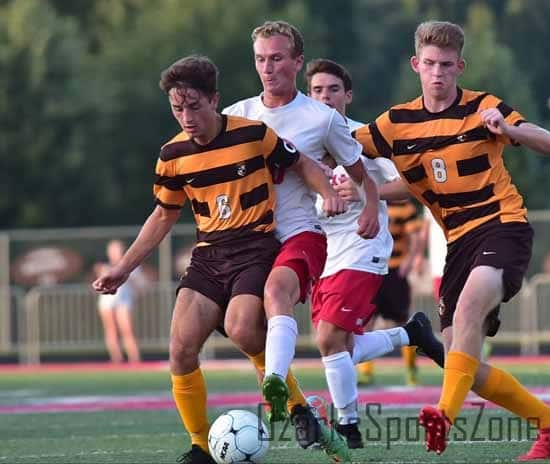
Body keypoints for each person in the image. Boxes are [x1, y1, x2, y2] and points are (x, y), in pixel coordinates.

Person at [92, 54, 346, 464]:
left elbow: (301, 164)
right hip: (209, 257)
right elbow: (162, 215)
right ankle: (199, 447)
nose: (187, 117)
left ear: (215, 100)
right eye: (178, 108)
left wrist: (328, 193)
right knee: (180, 349)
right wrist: (123, 269)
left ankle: (300, 411)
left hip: (255, 249)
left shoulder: (253, 135)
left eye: (194, 106)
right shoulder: (171, 155)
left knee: (243, 329)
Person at [350, 20, 550, 461]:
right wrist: (348, 187)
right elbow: (353, 154)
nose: (438, 73)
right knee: (464, 364)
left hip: (502, 226)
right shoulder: (395, 123)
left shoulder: (483, 107)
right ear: (416, 64)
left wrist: (509, 130)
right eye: (430, 64)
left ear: (460, 66)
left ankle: (443, 415)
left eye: (447, 65)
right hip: (457, 244)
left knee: (471, 307)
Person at [222, 22, 380, 456]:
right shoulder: (237, 116)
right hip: (249, 240)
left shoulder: (322, 119)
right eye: (260, 59)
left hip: (302, 233)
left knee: (281, 295)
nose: (268, 67)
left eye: (276, 58)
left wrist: (364, 207)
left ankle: (275, 382)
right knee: (240, 328)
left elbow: (363, 174)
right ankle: (299, 409)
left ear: (295, 62)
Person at [304, 57, 445, 449]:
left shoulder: (361, 139)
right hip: (321, 253)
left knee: (330, 338)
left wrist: (368, 194)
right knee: (339, 345)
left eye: (333, 89)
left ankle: (349, 427)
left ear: (348, 95)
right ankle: (410, 333)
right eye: (317, 90)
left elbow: (412, 184)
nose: (325, 97)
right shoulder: (297, 140)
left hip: (362, 247)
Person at [356, 199, 426, 387]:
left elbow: (415, 236)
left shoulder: (404, 206)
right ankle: (366, 372)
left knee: (401, 322)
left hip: (394, 271)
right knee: (366, 320)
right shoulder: (367, 202)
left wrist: (411, 260)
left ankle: (411, 369)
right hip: (370, 269)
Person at [94, 239, 142, 363]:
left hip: (124, 300)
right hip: (107, 301)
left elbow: (138, 285)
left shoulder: (131, 267)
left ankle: (134, 360)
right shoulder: (104, 267)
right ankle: (116, 359)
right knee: (111, 330)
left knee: (127, 329)